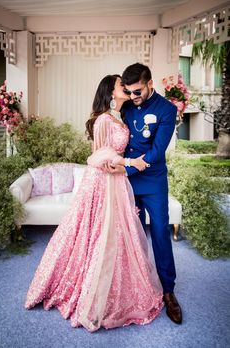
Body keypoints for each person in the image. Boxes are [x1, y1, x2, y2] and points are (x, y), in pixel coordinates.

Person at [25, 74, 164, 332]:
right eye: (121, 85)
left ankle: (117, 286)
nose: (126, 87)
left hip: (117, 181)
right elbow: (99, 155)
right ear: (111, 92)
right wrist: (130, 162)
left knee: (118, 235)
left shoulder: (119, 118)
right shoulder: (102, 119)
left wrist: (126, 162)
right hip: (101, 182)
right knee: (96, 235)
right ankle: (88, 288)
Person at [106, 63, 182, 325]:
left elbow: (158, 151)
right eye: (129, 92)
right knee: (132, 234)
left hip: (151, 180)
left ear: (150, 83)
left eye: (137, 91)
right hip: (126, 180)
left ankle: (169, 290)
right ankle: (136, 287)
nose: (133, 97)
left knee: (160, 232)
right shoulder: (126, 106)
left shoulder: (167, 110)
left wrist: (127, 170)